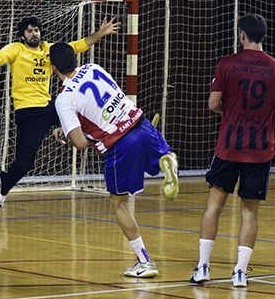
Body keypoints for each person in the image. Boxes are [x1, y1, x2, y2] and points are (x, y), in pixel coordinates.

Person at [0, 15, 119, 215]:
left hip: (50, 106)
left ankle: (91, 136)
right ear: (22, 35)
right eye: (30, 30)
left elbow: (77, 46)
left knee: (82, 112)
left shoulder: (49, 50)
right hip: (28, 112)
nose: (34, 33)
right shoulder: (17, 49)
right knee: (24, 164)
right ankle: (1, 195)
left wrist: (100, 34)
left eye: (37, 30)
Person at [48, 42, 179, 278]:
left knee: (119, 203)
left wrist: (70, 134)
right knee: (155, 158)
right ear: (76, 59)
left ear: (53, 67)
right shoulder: (93, 67)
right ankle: (166, 159)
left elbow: (79, 143)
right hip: (141, 124)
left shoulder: (63, 99)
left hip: (120, 144)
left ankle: (145, 261)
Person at [190, 14, 275, 288]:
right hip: (260, 149)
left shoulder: (227, 64)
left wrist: (229, 110)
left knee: (214, 206)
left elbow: (213, 103)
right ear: (264, 36)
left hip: (228, 146)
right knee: (249, 213)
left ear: (242, 35)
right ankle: (240, 272)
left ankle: (203, 267)